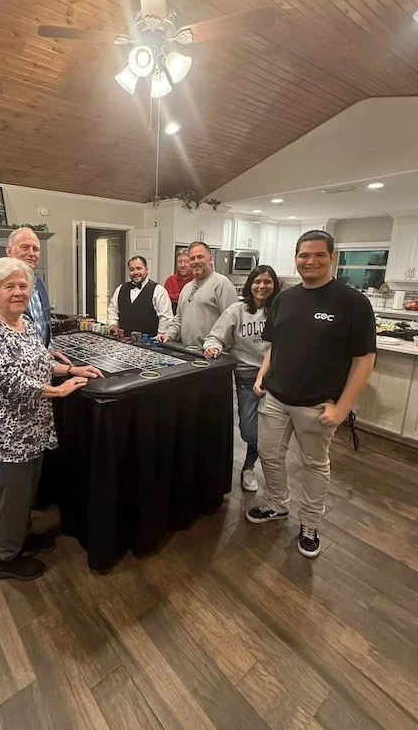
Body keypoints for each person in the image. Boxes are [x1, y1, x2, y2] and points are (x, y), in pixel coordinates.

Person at [0, 258, 103, 581]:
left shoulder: (25, 324)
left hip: (33, 429)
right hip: (5, 434)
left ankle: (21, 537)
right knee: (10, 496)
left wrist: (70, 370)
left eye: (23, 286)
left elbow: (41, 361)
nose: (18, 292)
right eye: (9, 286)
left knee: (25, 493)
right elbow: (7, 381)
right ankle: (7, 559)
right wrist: (58, 392)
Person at [246, 230, 376, 558]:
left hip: (318, 405)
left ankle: (310, 523)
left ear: (331, 257)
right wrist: (263, 374)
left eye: (318, 255)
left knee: (314, 464)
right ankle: (277, 504)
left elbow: (364, 360)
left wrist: (343, 408)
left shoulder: (353, 303)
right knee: (271, 455)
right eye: (304, 255)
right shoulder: (284, 299)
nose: (310, 261)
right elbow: (275, 344)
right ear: (296, 258)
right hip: (276, 397)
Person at [0, 227, 70, 534]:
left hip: (30, 419)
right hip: (2, 422)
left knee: (22, 487)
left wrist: (50, 358)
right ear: (9, 250)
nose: (32, 253)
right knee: (2, 486)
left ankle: (17, 530)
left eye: (36, 249)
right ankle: (0, 529)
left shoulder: (35, 290)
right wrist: (55, 388)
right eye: (25, 247)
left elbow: (37, 333)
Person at [204, 266, 280, 492]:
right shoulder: (236, 310)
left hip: (275, 379)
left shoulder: (281, 310)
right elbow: (215, 337)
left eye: (267, 282)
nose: (262, 286)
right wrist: (213, 347)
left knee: (271, 432)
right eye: (257, 281)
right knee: (249, 431)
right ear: (250, 284)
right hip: (247, 377)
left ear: (274, 285)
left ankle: (249, 467)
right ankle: (262, 463)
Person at [158, 241, 238, 348]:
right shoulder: (187, 288)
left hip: (213, 355)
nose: (196, 261)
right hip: (188, 351)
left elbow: (232, 322)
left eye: (200, 257)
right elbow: (179, 319)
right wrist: (169, 334)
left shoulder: (222, 284)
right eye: (192, 258)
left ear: (210, 259)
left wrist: (215, 346)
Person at [107, 256, 173, 337]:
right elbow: (112, 309)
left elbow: (166, 318)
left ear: (146, 269)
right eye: (132, 269)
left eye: (139, 268)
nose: (135, 272)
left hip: (148, 342)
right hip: (123, 341)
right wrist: (113, 324)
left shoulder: (158, 290)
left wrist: (160, 336)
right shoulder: (120, 288)